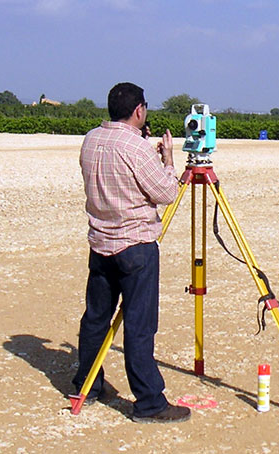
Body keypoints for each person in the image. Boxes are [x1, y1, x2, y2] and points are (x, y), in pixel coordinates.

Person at [72, 82, 190, 423]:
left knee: (96, 318)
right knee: (139, 325)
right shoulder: (136, 148)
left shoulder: (92, 139)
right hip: (135, 246)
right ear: (139, 110)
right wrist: (167, 159)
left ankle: (88, 383)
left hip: (100, 243)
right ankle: (150, 402)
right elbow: (167, 192)